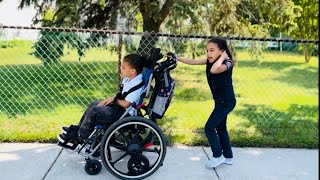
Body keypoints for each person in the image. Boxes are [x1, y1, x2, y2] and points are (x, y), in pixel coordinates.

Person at [57, 53, 148, 150]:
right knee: (94, 103)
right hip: (119, 109)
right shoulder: (129, 80)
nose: (121, 69)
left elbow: (126, 103)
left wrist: (114, 100)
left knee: (95, 110)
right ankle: (78, 129)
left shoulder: (137, 83)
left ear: (133, 71)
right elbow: (122, 95)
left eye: (123, 68)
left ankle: (80, 137)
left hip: (124, 114)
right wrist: (107, 100)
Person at [176, 37, 236, 168]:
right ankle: (228, 157)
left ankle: (218, 155)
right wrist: (178, 58)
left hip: (227, 101)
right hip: (220, 102)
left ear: (222, 51)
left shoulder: (227, 63)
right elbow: (192, 61)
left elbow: (214, 70)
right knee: (221, 128)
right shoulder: (211, 61)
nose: (208, 53)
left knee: (209, 127)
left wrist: (222, 58)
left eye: (212, 50)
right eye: (207, 50)